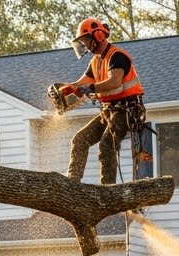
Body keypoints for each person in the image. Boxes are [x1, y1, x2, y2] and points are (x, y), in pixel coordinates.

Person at [52, 17, 146, 184]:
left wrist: (90, 88)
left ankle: (107, 190)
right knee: (80, 140)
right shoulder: (95, 62)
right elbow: (81, 83)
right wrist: (65, 89)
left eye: (86, 41)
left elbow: (115, 81)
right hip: (108, 111)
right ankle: (72, 184)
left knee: (106, 145)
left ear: (98, 36)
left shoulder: (117, 56)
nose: (85, 46)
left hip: (126, 111)